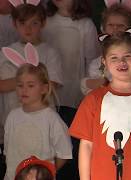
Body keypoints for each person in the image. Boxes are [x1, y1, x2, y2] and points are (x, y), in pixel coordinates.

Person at [69, 31, 131, 180]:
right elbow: (86, 146)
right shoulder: (93, 100)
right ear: (104, 62)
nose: (121, 62)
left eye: (127, 56)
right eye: (114, 58)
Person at [0, 0, 63, 153]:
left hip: (42, 122)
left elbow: (53, 84)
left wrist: (20, 82)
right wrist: (31, 81)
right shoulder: (5, 53)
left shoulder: (50, 52)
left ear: (43, 23)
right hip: (11, 120)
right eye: (22, 23)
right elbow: (1, 86)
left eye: (34, 23)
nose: (28, 28)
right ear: (15, 24)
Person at [3, 44, 72, 180]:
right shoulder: (12, 116)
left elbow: (64, 153)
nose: (24, 90)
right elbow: (8, 152)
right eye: (20, 85)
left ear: (44, 88)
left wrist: (45, 173)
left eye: (30, 85)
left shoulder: (51, 118)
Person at [43, 0, 100, 108]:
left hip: (75, 94)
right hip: (48, 94)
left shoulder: (86, 24)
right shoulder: (44, 22)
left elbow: (93, 62)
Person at [80, 3, 131, 95]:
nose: (115, 29)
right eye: (110, 25)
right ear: (103, 29)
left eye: (120, 26)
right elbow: (89, 91)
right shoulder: (96, 63)